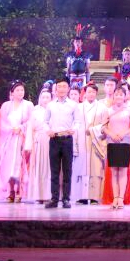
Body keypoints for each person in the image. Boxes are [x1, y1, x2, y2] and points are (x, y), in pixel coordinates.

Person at [0, 81, 33, 203]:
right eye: (17, 90)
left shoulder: (28, 105)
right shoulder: (6, 105)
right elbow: (2, 123)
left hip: (21, 139)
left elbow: (31, 122)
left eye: (22, 90)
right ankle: (10, 190)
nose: (20, 92)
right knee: (8, 166)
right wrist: (11, 129)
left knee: (19, 165)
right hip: (9, 140)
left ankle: (19, 191)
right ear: (12, 92)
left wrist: (21, 128)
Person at [46, 77, 78, 209]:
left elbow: (77, 121)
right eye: (59, 86)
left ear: (68, 88)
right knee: (54, 171)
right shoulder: (50, 105)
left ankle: (66, 199)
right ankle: (54, 199)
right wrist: (48, 130)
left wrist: (73, 129)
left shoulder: (73, 105)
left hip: (67, 140)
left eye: (64, 86)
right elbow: (45, 121)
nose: (62, 89)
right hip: (54, 139)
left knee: (67, 171)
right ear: (56, 89)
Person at [103, 85, 130, 208]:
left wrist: (124, 133)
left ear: (125, 96)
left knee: (123, 171)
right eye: (116, 94)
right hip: (112, 142)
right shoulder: (108, 110)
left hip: (125, 142)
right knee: (114, 172)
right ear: (113, 96)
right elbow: (103, 127)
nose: (118, 96)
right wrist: (111, 134)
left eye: (121, 94)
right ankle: (115, 198)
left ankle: (121, 198)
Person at [23, 89, 52, 204]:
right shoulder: (35, 111)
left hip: (51, 141)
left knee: (50, 168)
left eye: (47, 97)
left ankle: (49, 195)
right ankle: (38, 195)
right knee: (38, 167)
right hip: (38, 141)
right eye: (43, 97)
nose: (45, 100)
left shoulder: (54, 110)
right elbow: (30, 128)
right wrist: (29, 145)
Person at [82, 81, 109, 204]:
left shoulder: (102, 108)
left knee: (96, 169)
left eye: (93, 92)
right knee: (82, 168)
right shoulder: (79, 107)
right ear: (85, 93)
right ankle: (82, 196)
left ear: (96, 93)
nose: (91, 94)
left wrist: (92, 130)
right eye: (89, 92)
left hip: (96, 141)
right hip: (82, 140)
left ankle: (94, 196)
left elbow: (104, 125)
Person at [68, 85, 88, 203]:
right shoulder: (65, 108)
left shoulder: (82, 108)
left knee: (80, 169)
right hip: (67, 139)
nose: (73, 96)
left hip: (81, 140)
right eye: (71, 94)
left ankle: (81, 195)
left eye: (75, 94)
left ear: (79, 96)